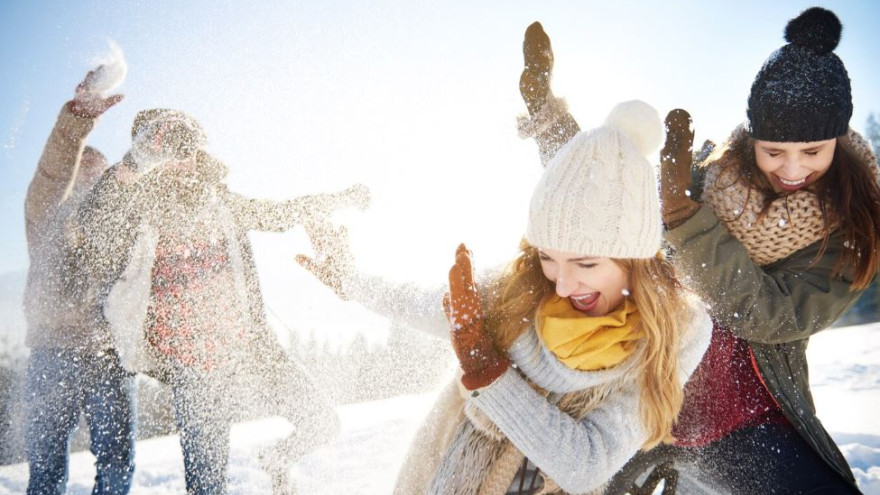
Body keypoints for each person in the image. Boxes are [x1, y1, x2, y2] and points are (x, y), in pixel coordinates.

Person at [297, 100, 713, 494]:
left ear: (634, 259)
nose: (563, 285)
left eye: (586, 264)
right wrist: (347, 280)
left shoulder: (676, 330)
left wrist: (489, 374)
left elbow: (587, 461)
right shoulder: (517, 291)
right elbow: (416, 302)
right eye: (549, 257)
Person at [74, 109, 369, 495]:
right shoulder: (136, 211)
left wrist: (337, 198)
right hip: (193, 367)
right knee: (207, 485)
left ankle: (276, 458)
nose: (181, 156)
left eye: (188, 144)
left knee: (322, 422)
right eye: (167, 147)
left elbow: (279, 213)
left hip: (250, 348)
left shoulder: (221, 201)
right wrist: (134, 163)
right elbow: (92, 226)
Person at [657, 7, 880, 494]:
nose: (793, 169)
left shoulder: (852, 230)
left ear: (837, 144)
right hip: (647, 406)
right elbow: (608, 230)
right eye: (774, 151)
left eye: (813, 151)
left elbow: (770, 315)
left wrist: (685, 223)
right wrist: (551, 118)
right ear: (752, 140)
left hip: (746, 418)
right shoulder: (708, 183)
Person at [22, 64, 135, 495]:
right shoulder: (49, 213)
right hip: (53, 351)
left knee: (116, 461)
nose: (89, 174)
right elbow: (53, 174)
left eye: (97, 170)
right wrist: (78, 122)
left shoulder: (117, 222)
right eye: (81, 167)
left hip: (108, 354)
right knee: (47, 466)